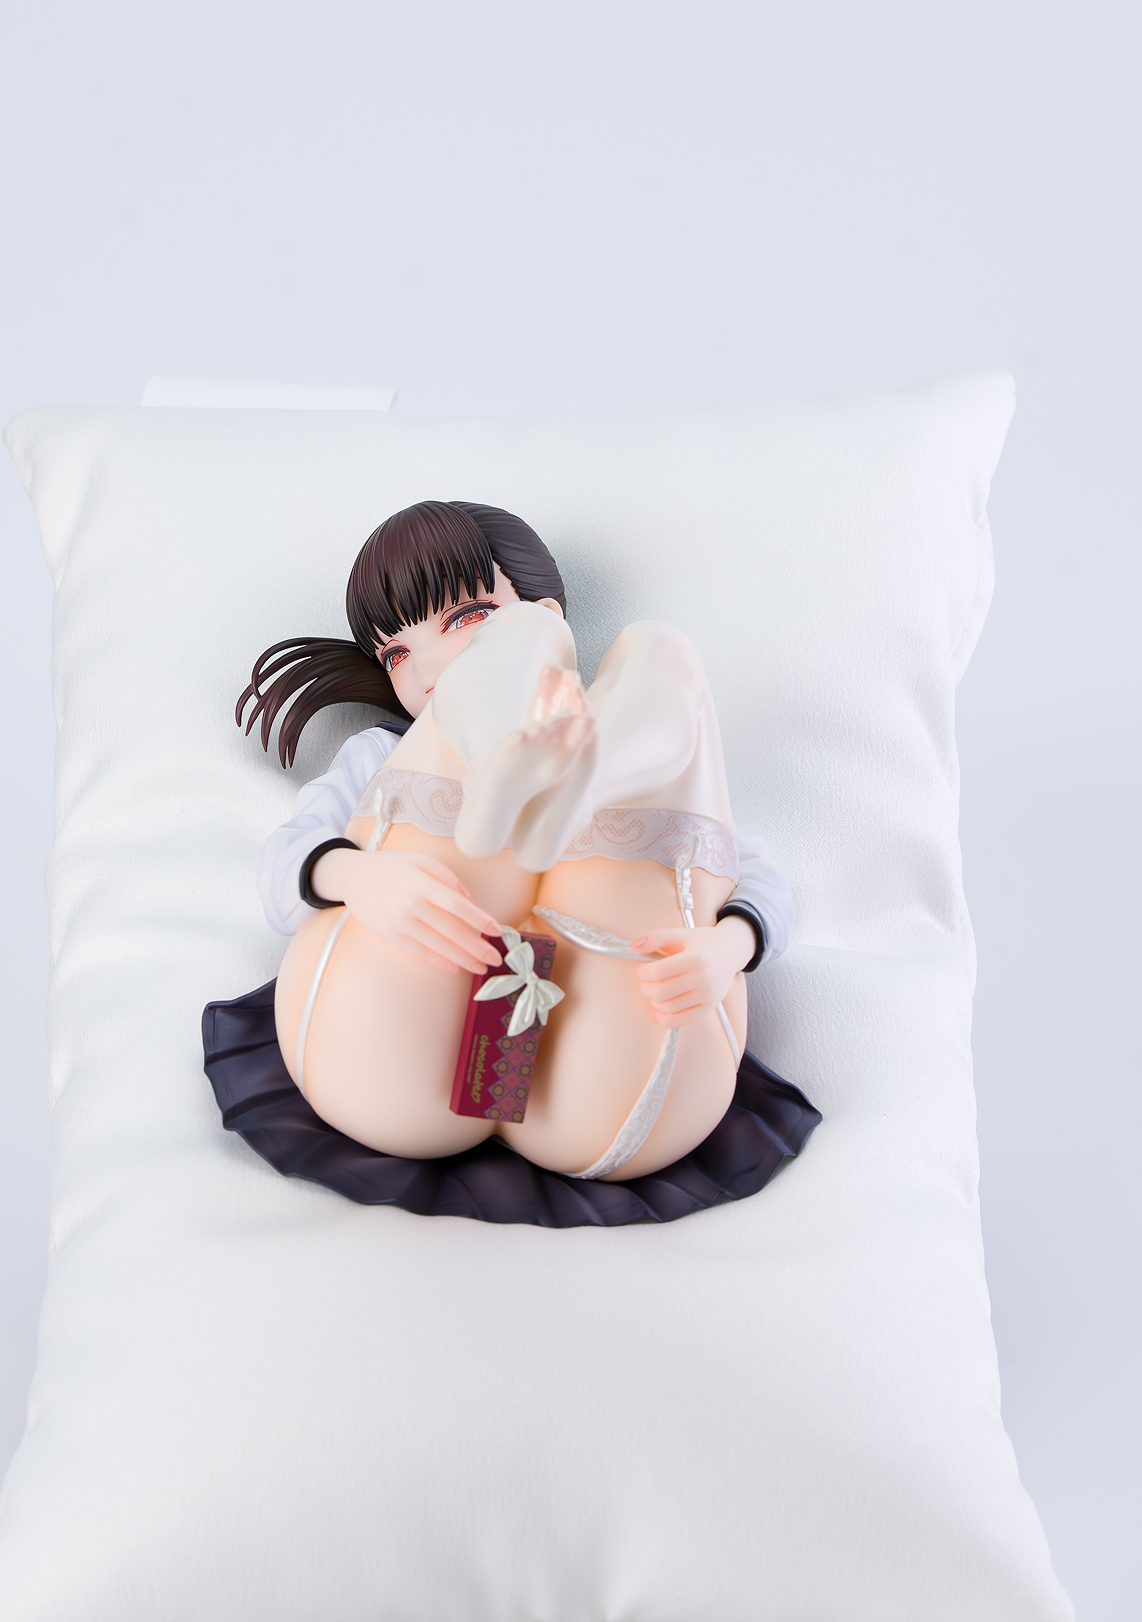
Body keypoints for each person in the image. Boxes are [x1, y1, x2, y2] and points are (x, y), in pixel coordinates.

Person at [240, 501, 792, 1183]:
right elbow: (281, 866)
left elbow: (754, 871)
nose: (430, 667)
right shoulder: (383, 754)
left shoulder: (647, 755)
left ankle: (583, 778)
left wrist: (730, 946)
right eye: (397, 654)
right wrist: (358, 879)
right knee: (519, 639)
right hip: (395, 1047)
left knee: (661, 650)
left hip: (591, 1081)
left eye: (465, 617)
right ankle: (509, 755)